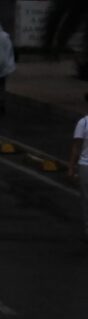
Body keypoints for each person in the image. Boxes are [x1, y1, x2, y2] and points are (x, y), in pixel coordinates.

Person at [69, 96, 88, 242]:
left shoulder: (83, 123)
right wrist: (72, 167)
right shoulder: (83, 123)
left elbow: (76, 147)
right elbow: (76, 146)